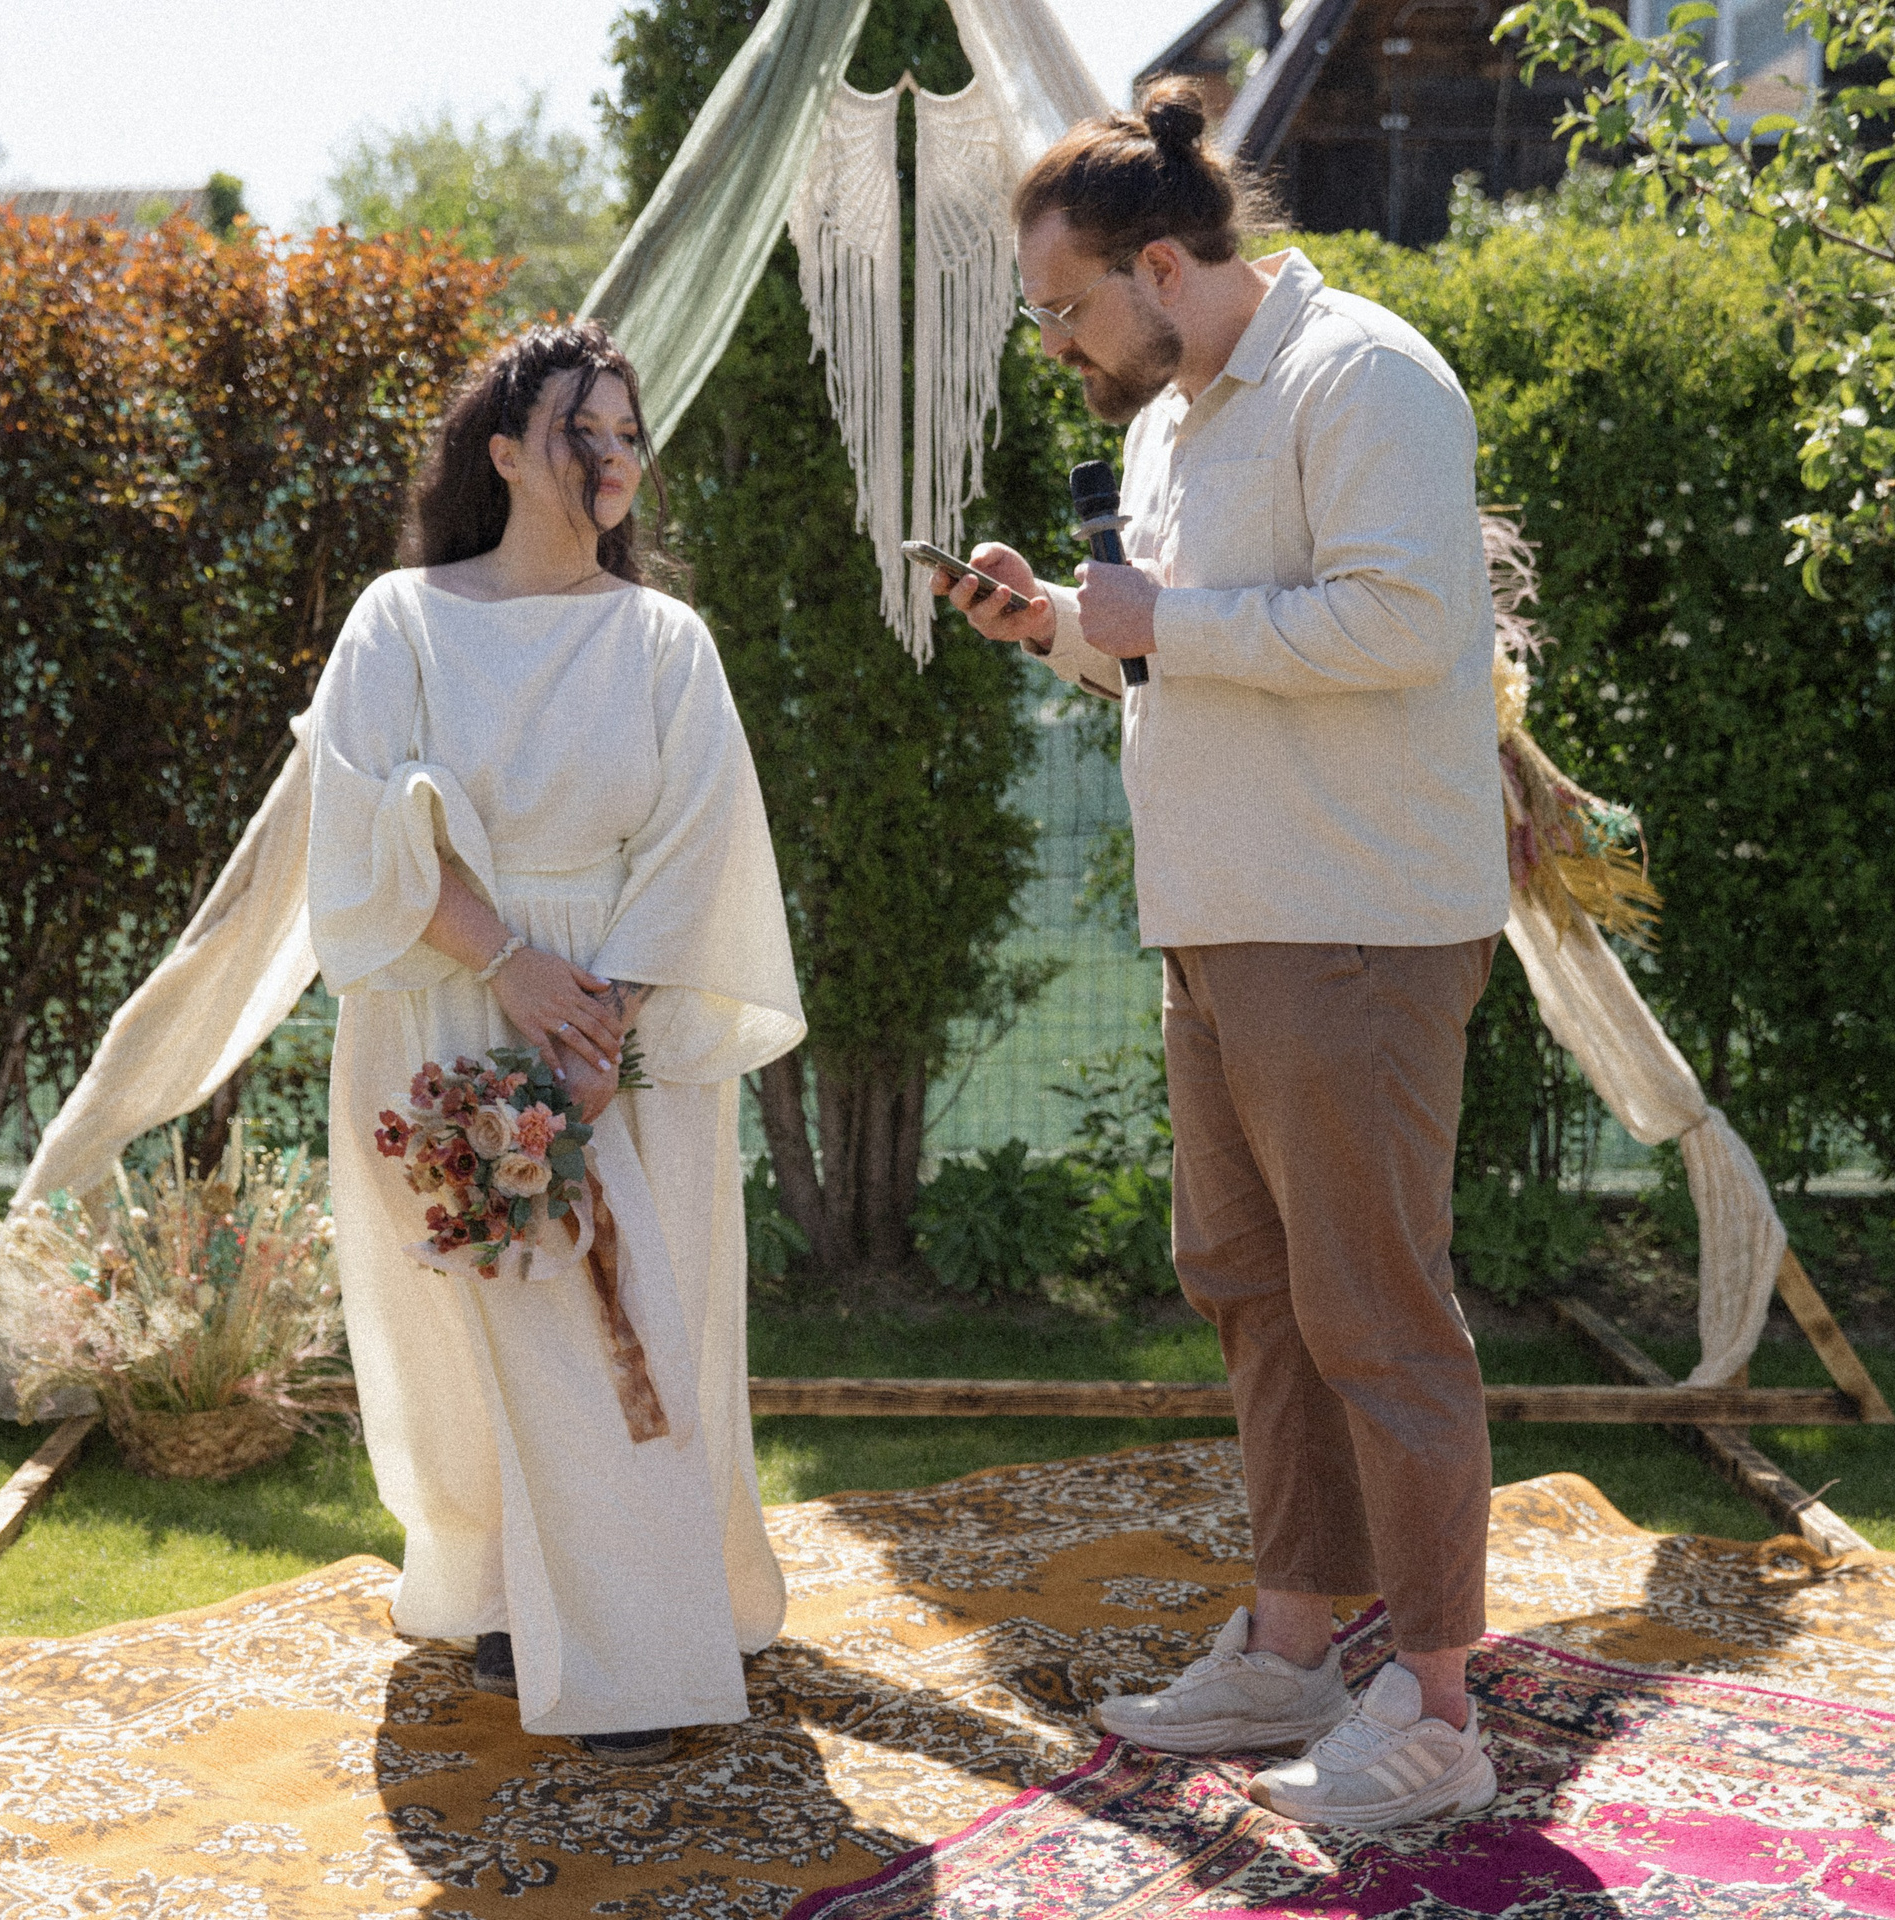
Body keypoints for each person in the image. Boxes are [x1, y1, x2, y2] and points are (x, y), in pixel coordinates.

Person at [931, 82, 1510, 1831]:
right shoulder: (1170, 421)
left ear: (1165, 262)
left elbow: (1408, 628)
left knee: (1378, 1319)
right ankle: (1289, 1641)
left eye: (1064, 309)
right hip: (1217, 926)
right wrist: (1062, 634)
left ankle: (1435, 1706)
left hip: (1354, 928)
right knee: (1254, 1296)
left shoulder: (1367, 377)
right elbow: (1183, 659)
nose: (1054, 344)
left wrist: (1160, 621)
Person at [307, 323, 804, 1762]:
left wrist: (605, 1019)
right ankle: (507, 1585)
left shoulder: (663, 641)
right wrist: (514, 969)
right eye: (582, 432)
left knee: (625, 1319)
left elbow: (700, 835)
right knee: (477, 1325)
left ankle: (638, 1648)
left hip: (618, 1021)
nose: (612, 459)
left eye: (629, 435)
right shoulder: (398, 622)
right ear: (506, 454)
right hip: (450, 995)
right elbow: (362, 819)